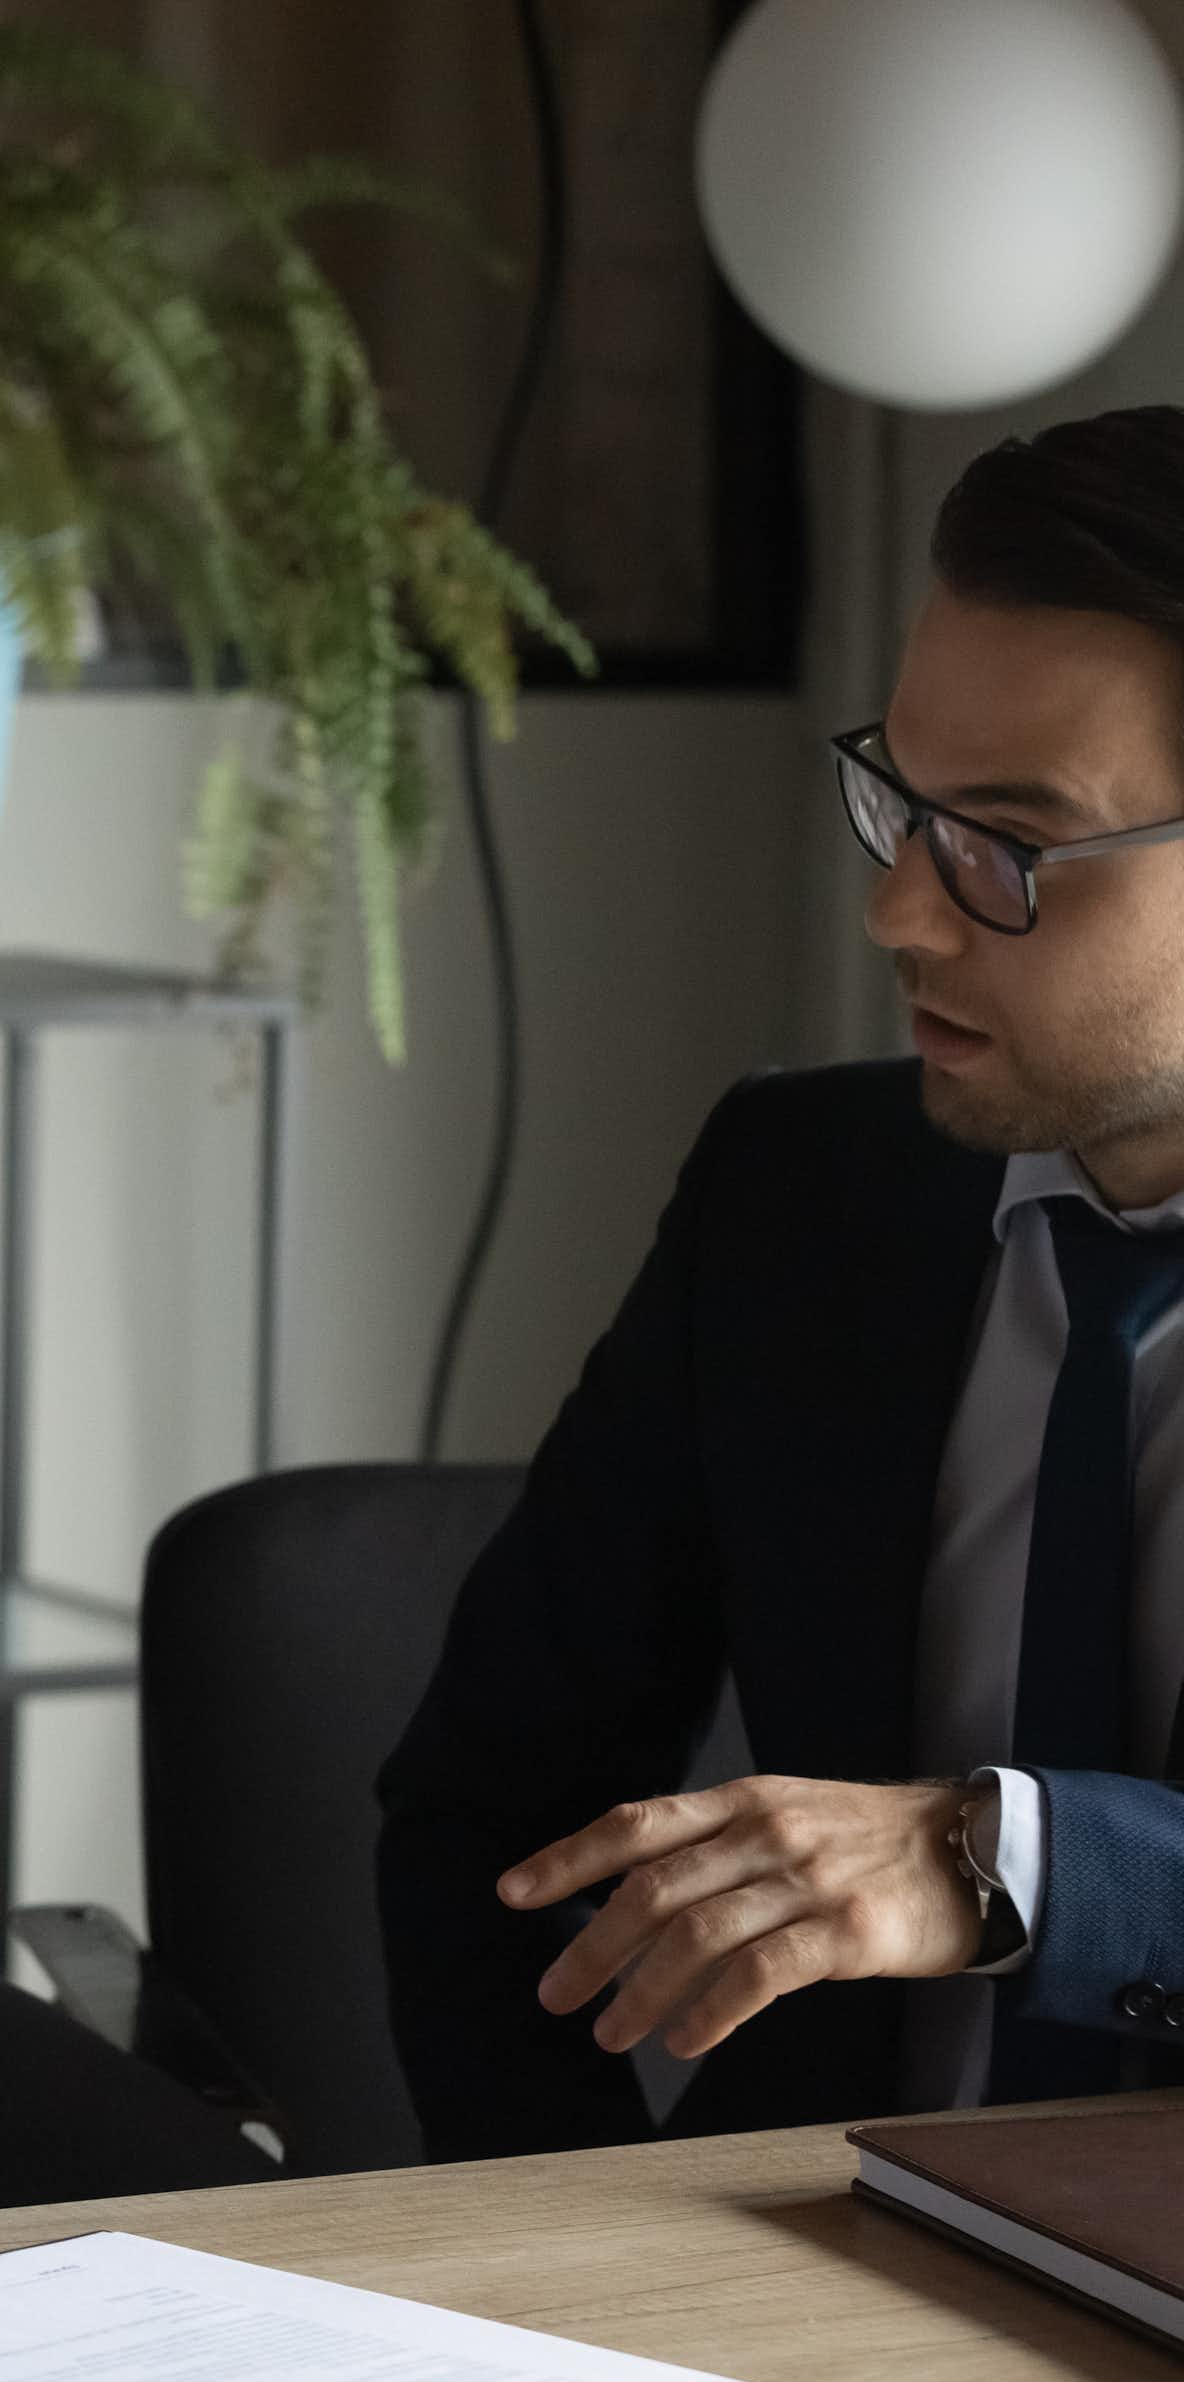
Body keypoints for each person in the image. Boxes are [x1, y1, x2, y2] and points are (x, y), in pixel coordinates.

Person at [380, 405, 1184, 2160]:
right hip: (820, 2280)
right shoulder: (805, 1196)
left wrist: (1007, 1859)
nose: (901, 913)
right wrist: (582, 2272)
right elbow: (489, 1814)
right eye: (901, 801)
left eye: (1009, 844)